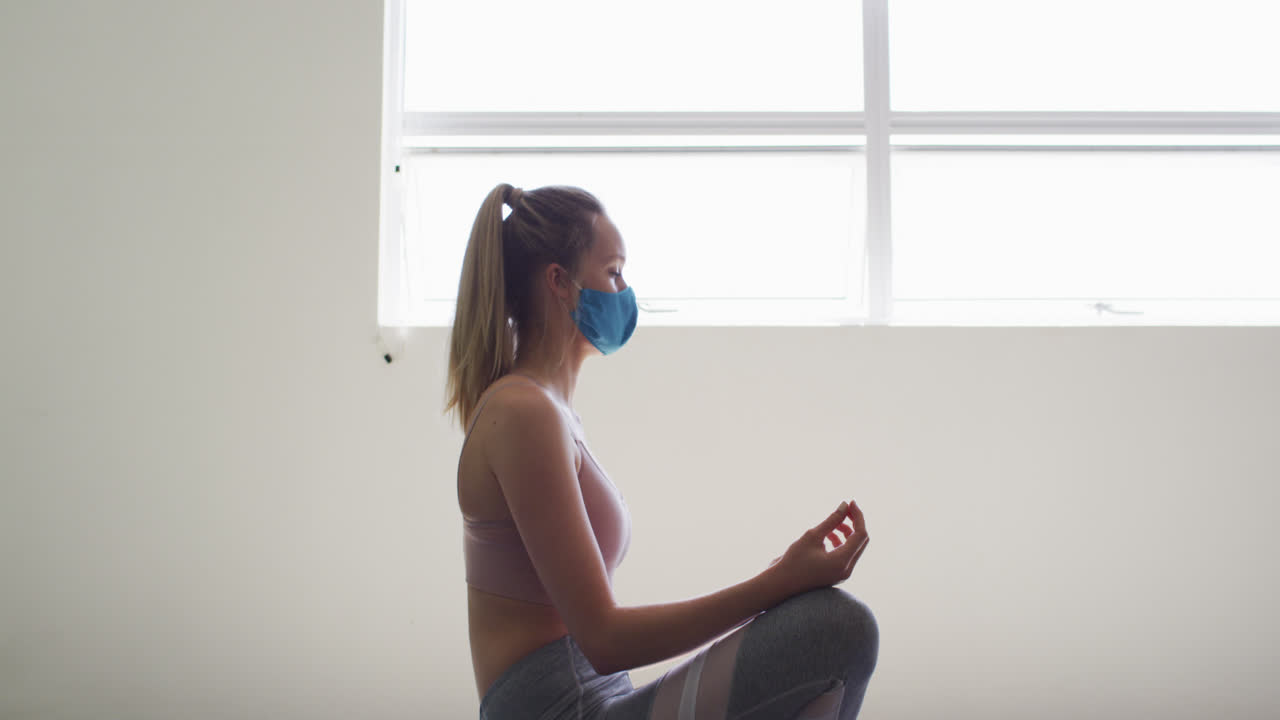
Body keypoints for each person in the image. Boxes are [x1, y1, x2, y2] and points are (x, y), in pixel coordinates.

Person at [448, 183, 878, 719]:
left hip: (596, 698)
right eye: (613, 272)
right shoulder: (522, 414)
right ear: (560, 282)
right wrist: (778, 582)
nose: (626, 291)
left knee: (826, 640)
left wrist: (781, 583)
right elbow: (604, 639)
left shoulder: (549, 412)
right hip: (566, 711)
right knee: (838, 628)